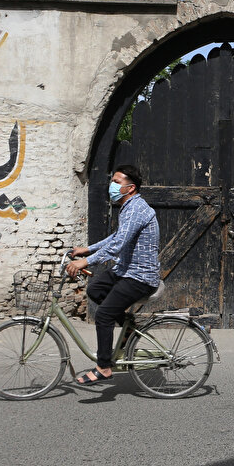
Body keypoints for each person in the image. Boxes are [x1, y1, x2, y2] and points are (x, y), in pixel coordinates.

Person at [64, 165, 160, 385]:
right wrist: (87, 249)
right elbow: (117, 236)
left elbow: (117, 244)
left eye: (117, 182)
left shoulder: (136, 209)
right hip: (126, 270)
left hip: (140, 276)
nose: (112, 186)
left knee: (104, 315)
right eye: (113, 181)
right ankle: (128, 326)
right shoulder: (128, 207)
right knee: (95, 289)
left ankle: (104, 367)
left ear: (131, 187)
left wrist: (85, 262)